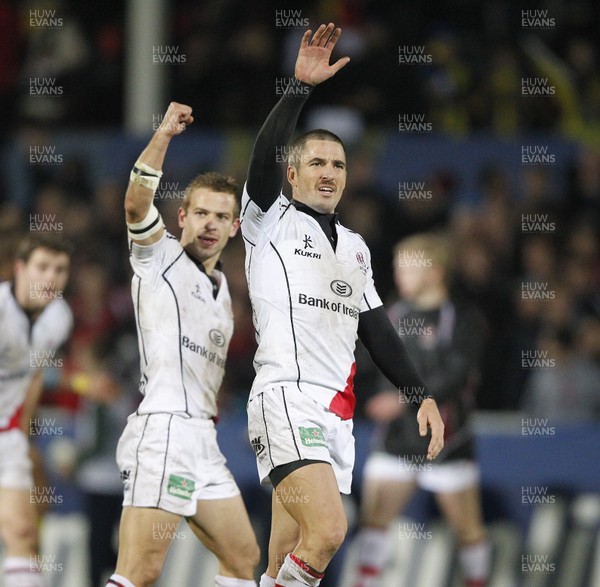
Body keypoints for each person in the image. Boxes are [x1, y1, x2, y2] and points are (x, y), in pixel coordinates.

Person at [240, 24, 444, 587]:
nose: (330, 173)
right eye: (318, 163)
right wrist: (298, 89)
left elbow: (376, 328)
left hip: (336, 412)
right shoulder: (268, 220)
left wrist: (418, 392)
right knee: (330, 532)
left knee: (286, 553)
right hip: (286, 399)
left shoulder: (354, 247)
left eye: (339, 166)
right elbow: (261, 160)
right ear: (293, 173)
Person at [105, 102, 260, 587]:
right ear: (182, 216)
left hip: (202, 440)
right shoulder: (160, 258)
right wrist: (165, 136)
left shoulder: (225, 295)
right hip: (164, 433)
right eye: (201, 214)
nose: (210, 224)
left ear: (235, 227)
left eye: (221, 216)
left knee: (242, 556)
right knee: (139, 573)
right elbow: (134, 204)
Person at [352, 233, 491, 587]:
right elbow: (361, 362)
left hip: (447, 439)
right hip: (395, 440)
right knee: (373, 523)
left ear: (434, 272)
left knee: (469, 531)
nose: (400, 277)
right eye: (398, 269)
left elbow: (458, 376)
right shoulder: (393, 314)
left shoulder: (462, 318)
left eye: (408, 269)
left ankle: (478, 580)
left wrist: (402, 400)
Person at [0, 234, 73, 587]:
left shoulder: (59, 317)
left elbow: (34, 375)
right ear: (19, 269)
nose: (51, 278)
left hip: (6, 436)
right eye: (42, 267)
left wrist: (22, 431)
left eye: (60, 270)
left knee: (24, 532)